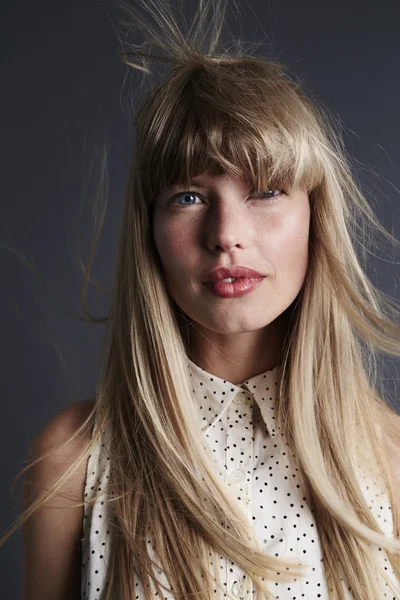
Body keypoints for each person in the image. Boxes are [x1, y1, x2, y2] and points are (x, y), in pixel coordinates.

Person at [2, 0, 400, 598]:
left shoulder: (390, 456)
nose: (227, 234)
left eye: (265, 190)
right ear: (150, 232)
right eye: (189, 196)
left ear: (316, 217)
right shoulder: (73, 458)